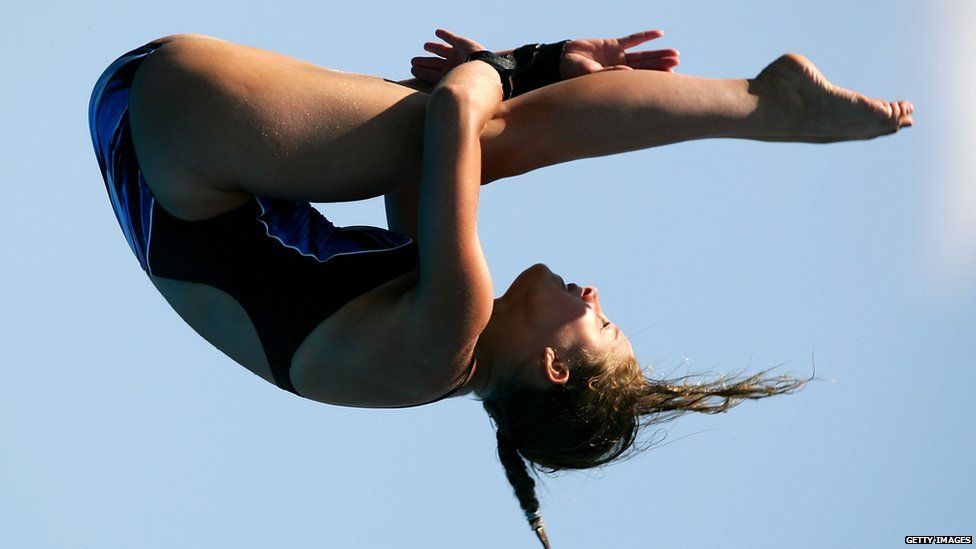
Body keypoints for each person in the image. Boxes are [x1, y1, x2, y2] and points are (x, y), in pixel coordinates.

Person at [88, 29, 913, 548]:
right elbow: (418, 190)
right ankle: (761, 105)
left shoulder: (451, 330)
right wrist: (511, 80)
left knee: (472, 128)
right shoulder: (426, 353)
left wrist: (524, 67)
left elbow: (455, 114)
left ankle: (762, 105)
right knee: (462, 136)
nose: (593, 292)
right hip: (154, 134)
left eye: (603, 322)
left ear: (555, 367)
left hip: (178, 133)